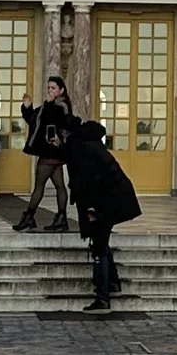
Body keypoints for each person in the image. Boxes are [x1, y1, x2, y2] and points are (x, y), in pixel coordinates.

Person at [68, 114, 141, 308]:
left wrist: (91, 209)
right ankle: (113, 282)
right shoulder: (90, 144)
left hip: (106, 202)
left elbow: (90, 180)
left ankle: (102, 297)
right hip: (113, 199)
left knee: (99, 247)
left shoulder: (82, 149)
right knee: (102, 242)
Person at [13, 76, 74, 232]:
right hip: (51, 151)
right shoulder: (50, 105)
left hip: (52, 150)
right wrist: (27, 107)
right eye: (48, 88)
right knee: (59, 185)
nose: (49, 90)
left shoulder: (61, 105)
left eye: (53, 88)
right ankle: (61, 219)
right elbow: (35, 120)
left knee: (39, 185)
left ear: (61, 90)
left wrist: (48, 103)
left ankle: (29, 217)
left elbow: (54, 118)